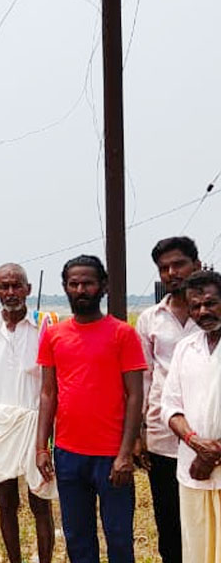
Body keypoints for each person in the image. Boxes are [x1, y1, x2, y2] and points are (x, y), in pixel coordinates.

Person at [35, 255, 146, 563]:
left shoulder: (123, 333)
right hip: (68, 454)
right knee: (77, 539)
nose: (81, 290)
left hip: (112, 455)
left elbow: (135, 395)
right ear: (65, 288)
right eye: (74, 284)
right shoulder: (54, 335)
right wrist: (41, 447)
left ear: (103, 286)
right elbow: (48, 393)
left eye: (88, 283)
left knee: (119, 538)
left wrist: (126, 453)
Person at [0, 263, 56, 563]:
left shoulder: (44, 326)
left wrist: (47, 438)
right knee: (6, 502)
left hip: (34, 424)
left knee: (40, 502)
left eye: (16, 285)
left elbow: (51, 387)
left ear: (28, 289)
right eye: (4, 287)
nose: (10, 292)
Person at [135, 236, 202, 563]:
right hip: (163, 437)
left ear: (197, 265)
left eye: (179, 264)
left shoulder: (210, 314)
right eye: (164, 268)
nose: (172, 273)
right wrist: (139, 433)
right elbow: (144, 378)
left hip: (209, 435)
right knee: (170, 522)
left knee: (207, 519)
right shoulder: (150, 319)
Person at [162, 269, 221, 563]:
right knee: (197, 551)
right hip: (192, 469)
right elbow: (170, 407)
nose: (202, 312)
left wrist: (213, 454)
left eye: (210, 303)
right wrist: (197, 444)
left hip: (209, 463)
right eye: (195, 306)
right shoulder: (186, 348)